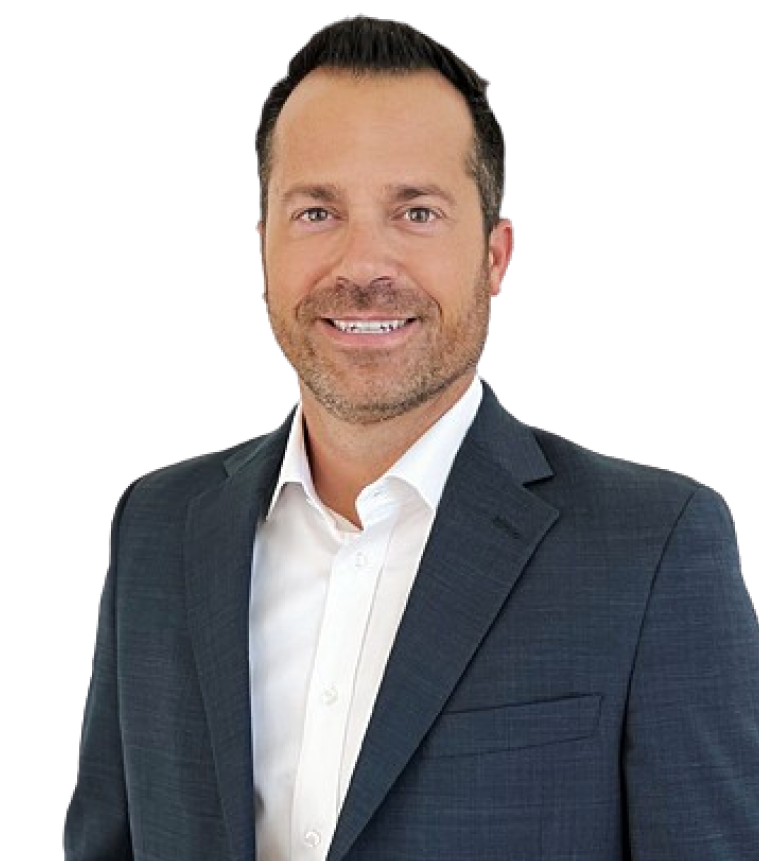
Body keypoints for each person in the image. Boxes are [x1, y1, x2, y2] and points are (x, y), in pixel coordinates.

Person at [64, 14, 758, 861]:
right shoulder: (157, 525)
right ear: (262, 249)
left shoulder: (655, 546)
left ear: (496, 257)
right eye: (317, 210)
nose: (363, 265)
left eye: (417, 211)